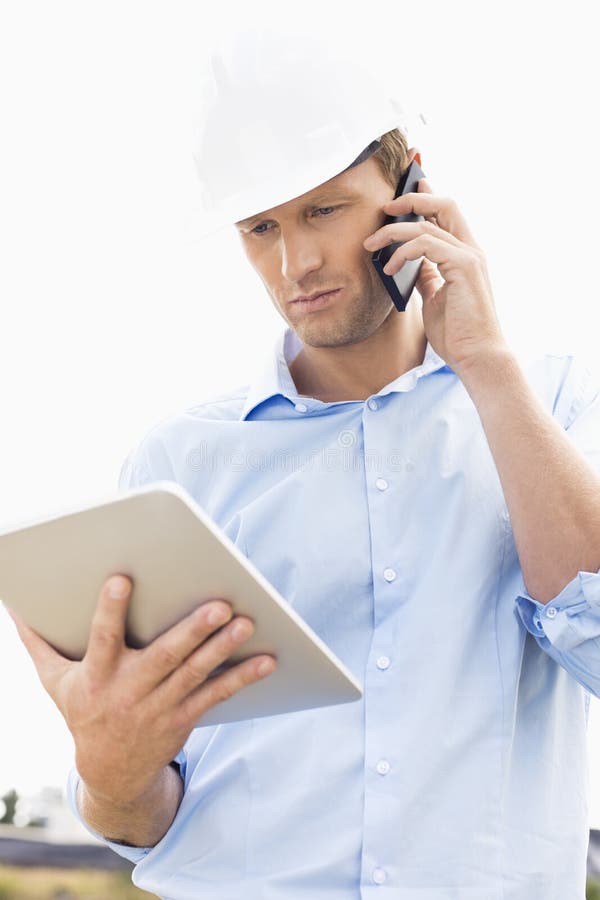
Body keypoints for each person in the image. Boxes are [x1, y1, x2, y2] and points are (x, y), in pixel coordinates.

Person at [9, 25, 600, 900]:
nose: (296, 263)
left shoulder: (550, 403)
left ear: (411, 189)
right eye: (260, 227)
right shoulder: (181, 461)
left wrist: (486, 364)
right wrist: (109, 768)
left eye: (324, 209)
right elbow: (136, 820)